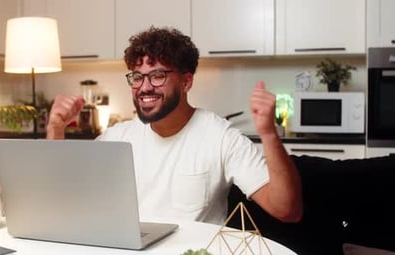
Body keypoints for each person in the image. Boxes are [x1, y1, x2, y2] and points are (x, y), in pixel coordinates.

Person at [47, 26, 303, 225]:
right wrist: (56, 128)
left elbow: (286, 209)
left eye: (158, 75)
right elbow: (62, 200)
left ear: (186, 82)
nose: (145, 87)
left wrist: (269, 134)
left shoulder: (220, 137)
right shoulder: (116, 138)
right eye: (137, 77)